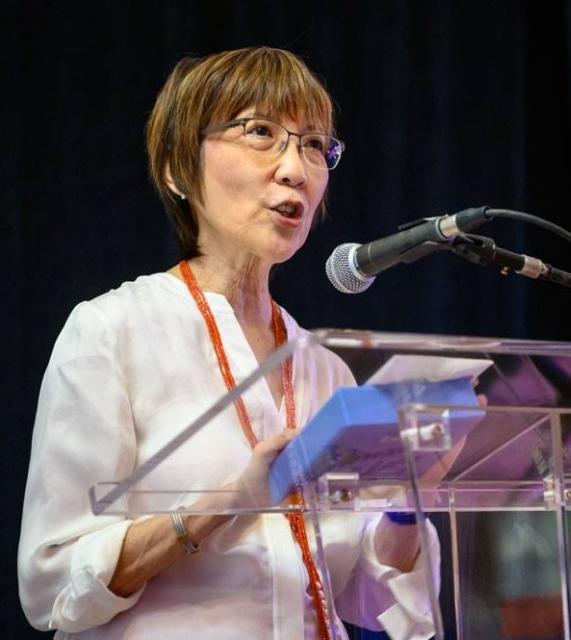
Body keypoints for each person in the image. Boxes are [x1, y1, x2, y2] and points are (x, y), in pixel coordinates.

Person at [18, 47, 440, 639]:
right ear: (176, 168)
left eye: (315, 145)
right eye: (261, 132)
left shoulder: (324, 368)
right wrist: (226, 501)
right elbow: (52, 583)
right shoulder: (111, 332)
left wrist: (410, 493)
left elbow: (362, 592)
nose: (296, 169)